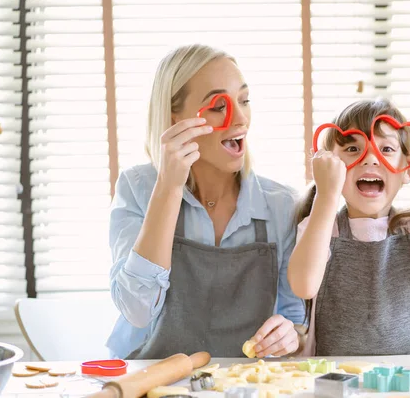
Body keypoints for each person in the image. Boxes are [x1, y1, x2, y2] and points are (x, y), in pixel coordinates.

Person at [106, 44, 305, 359]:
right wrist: (169, 188)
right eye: (218, 105)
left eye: (244, 100)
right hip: (148, 377)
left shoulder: (280, 205)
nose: (240, 119)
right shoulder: (138, 188)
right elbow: (137, 310)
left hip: (243, 385)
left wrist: (291, 335)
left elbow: (295, 319)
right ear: (175, 117)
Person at [288, 98, 410, 356]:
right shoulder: (322, 227)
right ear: (331, 165)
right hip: (335, 382)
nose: (370, 159)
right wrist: (326, 194)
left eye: (386, 149)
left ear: (407, 170)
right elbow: (303, 285)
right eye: (353, 149)